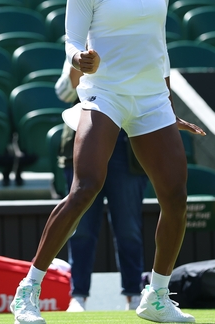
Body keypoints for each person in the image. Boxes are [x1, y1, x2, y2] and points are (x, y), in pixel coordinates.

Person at [11, 0, 205, 324]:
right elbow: (72, 41)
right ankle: (28, 291)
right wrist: (81, 60)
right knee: (85, 188)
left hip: (152, 98)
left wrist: (169, 105)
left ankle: (155, 296)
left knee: (175, 196)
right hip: (105, 94)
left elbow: (161, 50)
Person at [54, 60, 147, 312]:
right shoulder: (78, 49)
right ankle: (79, 295)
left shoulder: (130, 47)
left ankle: (134, 294)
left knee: (129, 228)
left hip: (126, 147)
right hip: (85, 142)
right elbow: (64, 92)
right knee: (81, 227)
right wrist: (79, 60)